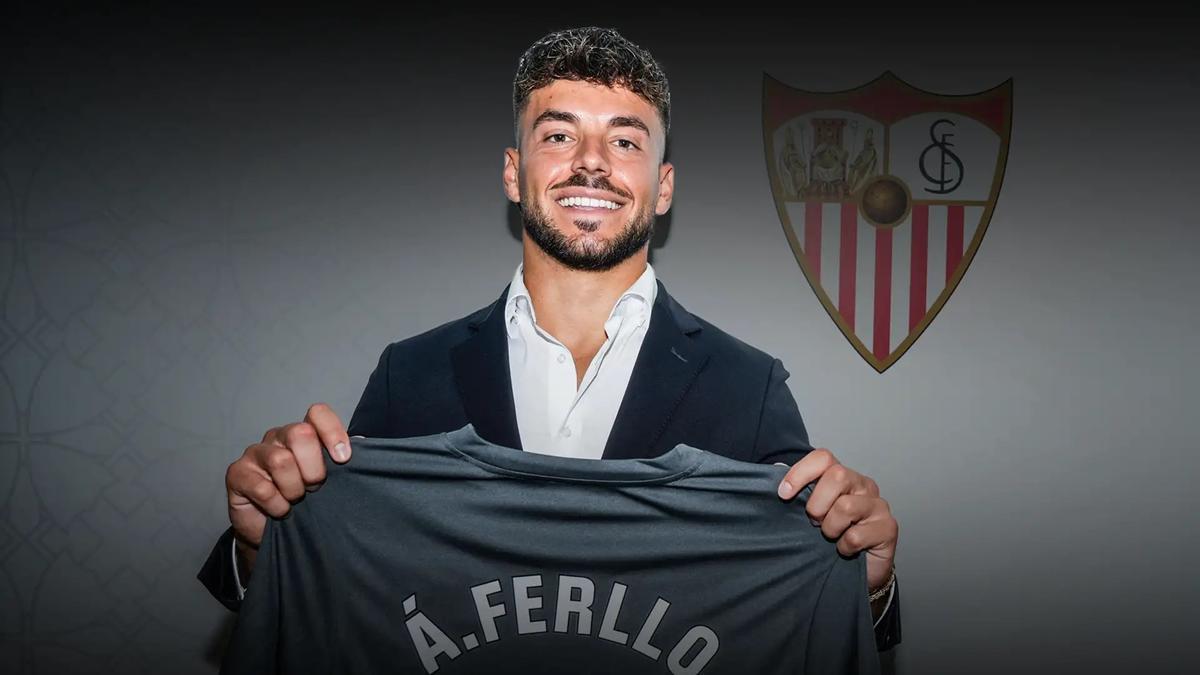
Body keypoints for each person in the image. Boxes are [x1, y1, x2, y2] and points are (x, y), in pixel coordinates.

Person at [197, 26, 901, 652]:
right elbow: (351, 591)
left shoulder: (748, 386)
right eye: (559, 135)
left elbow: (794, 611)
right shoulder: (407, 373)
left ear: (662, 187)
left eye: (625, 141)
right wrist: (269, 538)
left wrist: (864, 583)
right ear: (514, 172)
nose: (591, 163)